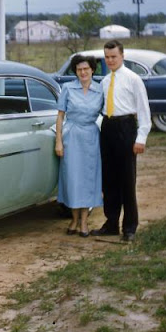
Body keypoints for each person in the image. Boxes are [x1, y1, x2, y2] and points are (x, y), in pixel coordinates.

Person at [90, 40, 151, 242]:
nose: (110, 60)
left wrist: (140, 138)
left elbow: (144, 111)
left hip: (126, 127)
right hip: (108, 127)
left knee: (127, 179)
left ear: (122, 56)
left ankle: (130, 226)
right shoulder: (105, 82)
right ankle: (111, 223)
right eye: (107, 57)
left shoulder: (134, 79)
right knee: (109, 180)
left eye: (113, 57)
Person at [55, 55, 104, 237]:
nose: (83, 72)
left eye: (86, 69)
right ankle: (74, 219)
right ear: (75, 71)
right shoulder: (68, 88)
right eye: (79, 69)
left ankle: (84, 221)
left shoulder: (100, 90)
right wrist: (58, 141)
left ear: (92, 70)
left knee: (88, 180)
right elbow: (60, 116)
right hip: (72, 136)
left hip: (91, 137)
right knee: (72, 179)